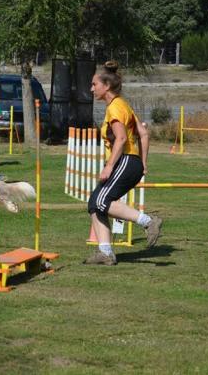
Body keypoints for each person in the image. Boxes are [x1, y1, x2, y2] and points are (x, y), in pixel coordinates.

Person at [84, 61, 163, 266]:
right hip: (131, 161)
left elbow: (120, 139)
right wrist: (143, 163)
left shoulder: (115, 108)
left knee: (101, 202)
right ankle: (105, 253)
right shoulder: (123, 105)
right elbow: (143, 133)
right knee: (95, 204)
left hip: (124, 161)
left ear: (106, 86)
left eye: (94, 84)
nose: (91, 89)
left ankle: (149, 222)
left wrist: (109, 166)